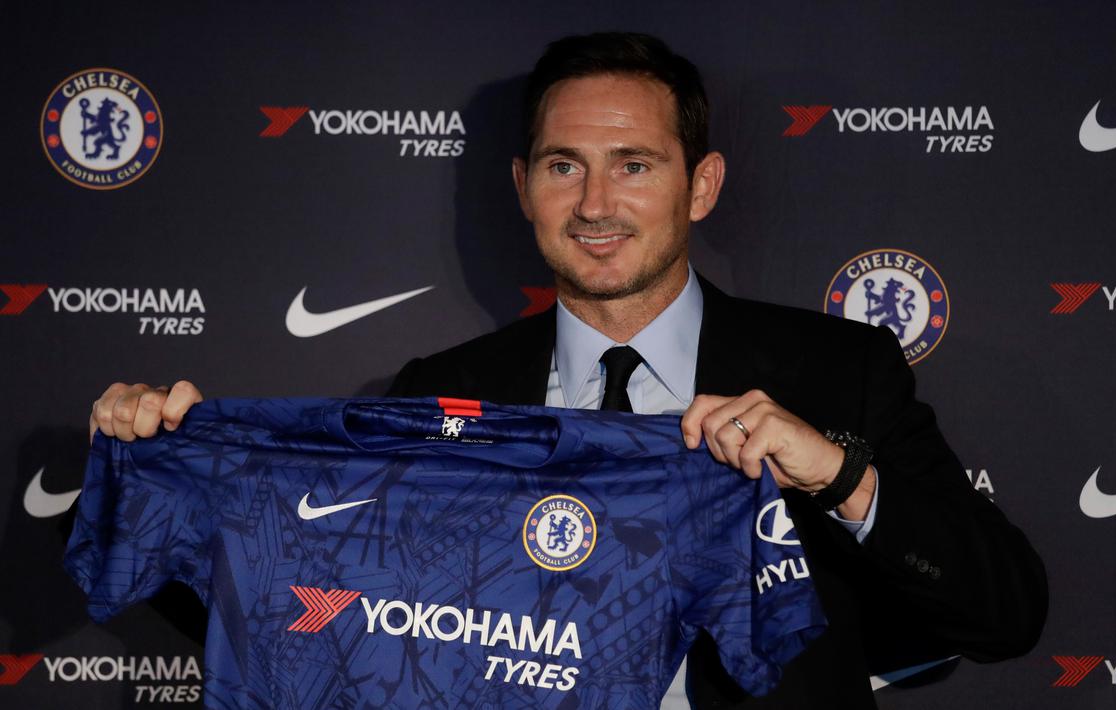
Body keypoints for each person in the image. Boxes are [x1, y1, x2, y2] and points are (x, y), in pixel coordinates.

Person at [88, 32, 1046, 709]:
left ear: (699, 184)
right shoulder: (438, 390)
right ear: (522, 187)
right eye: (562, 166)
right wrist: (168, 477)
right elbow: (319, 616)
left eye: (633, 163)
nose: (595, 203)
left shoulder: (840, 370)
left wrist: (842, 479)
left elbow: (1004, 616)